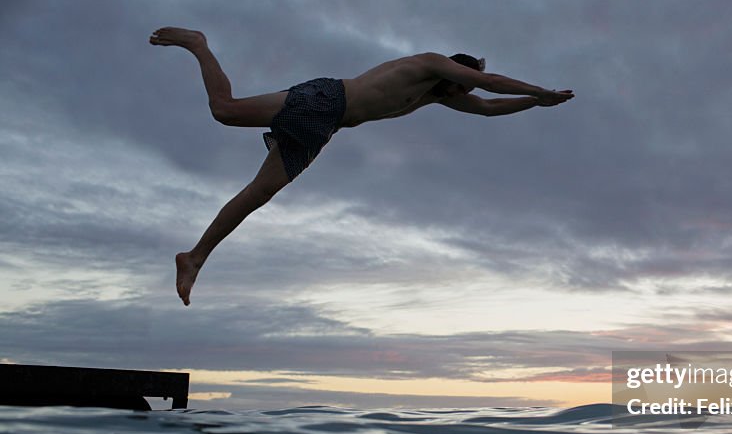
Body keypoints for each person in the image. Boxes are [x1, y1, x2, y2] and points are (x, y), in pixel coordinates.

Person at [149, 27, 574, 306]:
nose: (465, 90)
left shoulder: (437, 94)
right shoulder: (429, 63)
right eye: (467, 80)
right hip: (327, 99)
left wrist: (537, 103)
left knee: (259, 194)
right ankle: (199, 43)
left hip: (326, 127)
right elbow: (492, 84)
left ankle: (195, 257)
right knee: (225, 110)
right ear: (459, 70)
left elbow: (487, 108)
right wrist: (541, 89)